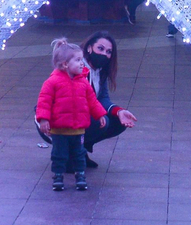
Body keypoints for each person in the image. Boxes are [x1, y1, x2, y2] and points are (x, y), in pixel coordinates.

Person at [35, 38, 107, 192]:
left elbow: (92, 101)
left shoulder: (83, 82)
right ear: (65, 64)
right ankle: (58, 176)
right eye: (78, 60)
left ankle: (80, 175)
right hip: (59, 129)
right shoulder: (52, 82)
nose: (82, 63)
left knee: (79, 154)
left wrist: (100, 114)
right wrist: (43, 119)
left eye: (82, 60)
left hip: (78, 128)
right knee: (59, 154)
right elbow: (44, 102)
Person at [78, 32, 139, 168]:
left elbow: (102, 98)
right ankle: (71, 151)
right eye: (100, 48)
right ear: (89, 48)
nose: (104, 54)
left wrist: (119, 112)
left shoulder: (99, 70)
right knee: (101, 121)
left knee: (118, 122)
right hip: (60, 119)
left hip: (85, 114)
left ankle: (81, 149)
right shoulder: (76, 67)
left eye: (109, 52)